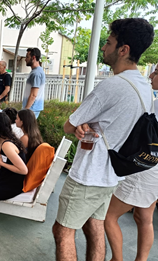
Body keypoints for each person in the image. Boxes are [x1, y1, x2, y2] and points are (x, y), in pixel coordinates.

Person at [52, 18, 154, 261]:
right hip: (112, 174)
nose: (104, 48)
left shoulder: (112, 86)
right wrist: (85, 125)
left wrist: (79, 125)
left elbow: (69, 125)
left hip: (89, 173)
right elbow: (114, 124)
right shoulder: (144, 87)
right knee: (94, 226)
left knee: (63, 231)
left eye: (108, 42)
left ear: (123, 49)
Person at [104, 64, 158, 261]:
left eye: (157, 71)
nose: (151, 75)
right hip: (154, 170)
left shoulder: (157, 104)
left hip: (145, 168)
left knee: (108, 216)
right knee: (144, 217)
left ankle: (116, 259)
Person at [22, 48, 45, 118]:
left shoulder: (36, 73)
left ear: (33, 57)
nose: (25, 59)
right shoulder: (36, 71)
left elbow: (33, 95)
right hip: (32, 109)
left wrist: (26, 110)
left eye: (27, 57)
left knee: (27, 129)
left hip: (31, 109)